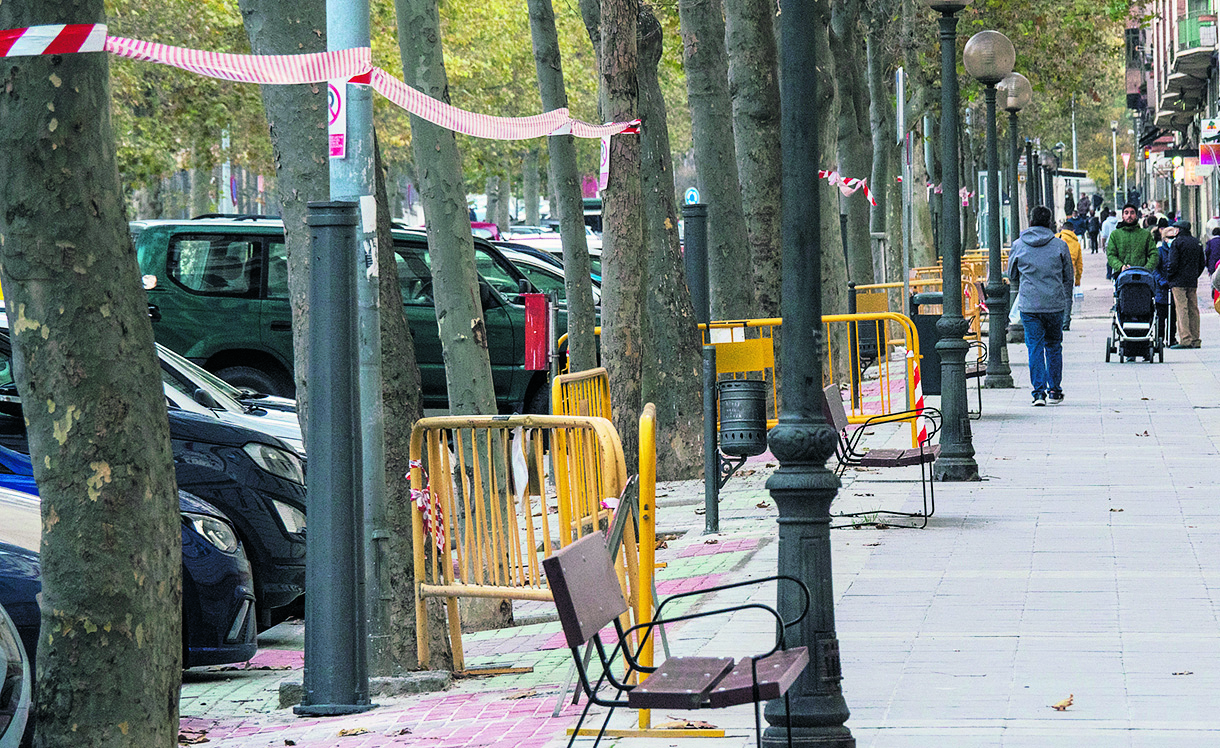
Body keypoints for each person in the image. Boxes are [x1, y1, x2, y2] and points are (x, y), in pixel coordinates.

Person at [1008, 206, 1074, 407]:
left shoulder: (1019, 245)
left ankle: (1038, 393)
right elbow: (1068, 277)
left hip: (1029, 305)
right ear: (1050, 222)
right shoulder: (1060, 246)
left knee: (1034, 347)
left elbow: (1011, 275)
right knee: (1054, 346)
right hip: (1054, 304)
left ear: (1030, 221)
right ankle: (1054, 390)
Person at [1164, 220, 1206, 349]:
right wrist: (1195, 275)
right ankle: (1195, 339)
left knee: (1182, 309)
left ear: (1179, 229)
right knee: (1193, 309)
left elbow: (1173, 263)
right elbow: (1201, 263)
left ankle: (1185, 339)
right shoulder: (1196, 242)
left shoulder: (1177, 243)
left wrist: (1169, 277)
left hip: (1178, 281)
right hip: (1192, 281)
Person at [1106, 204, 1158, 279]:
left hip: (1142, 278)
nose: (1129, 215)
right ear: (1123, 216)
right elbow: (1111, 255)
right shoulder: (1115, 235)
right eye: (1126, 213)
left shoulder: (1145, 234)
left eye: (1132, 213)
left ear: (1136, 216)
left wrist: (1146, 269)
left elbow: (1154, 254)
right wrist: (1120, 267)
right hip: (1121, 277)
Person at [1056, 221, 1084, 331]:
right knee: (1067, 298)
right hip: (1069, 272)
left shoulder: (1056, 238)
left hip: (1055, 272)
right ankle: (1065, 322)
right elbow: (1079, 264)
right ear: (1073, 231)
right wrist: (1077, 280)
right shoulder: (1076, 243)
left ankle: (1057, 321)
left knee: (1056, 297)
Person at [1153, 223, 1177, 347]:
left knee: (1173, 317)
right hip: (1162, 290)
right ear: (1164, 238)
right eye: (1170, 237)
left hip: (1173, 289)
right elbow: (1155, 270)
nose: (1172, 239)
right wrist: (1162, 281)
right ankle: (1160, 338)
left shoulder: (1177, 251)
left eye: (1174, 237)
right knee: (1161, 318)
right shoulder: (1159, 252)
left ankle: (1171, 338)